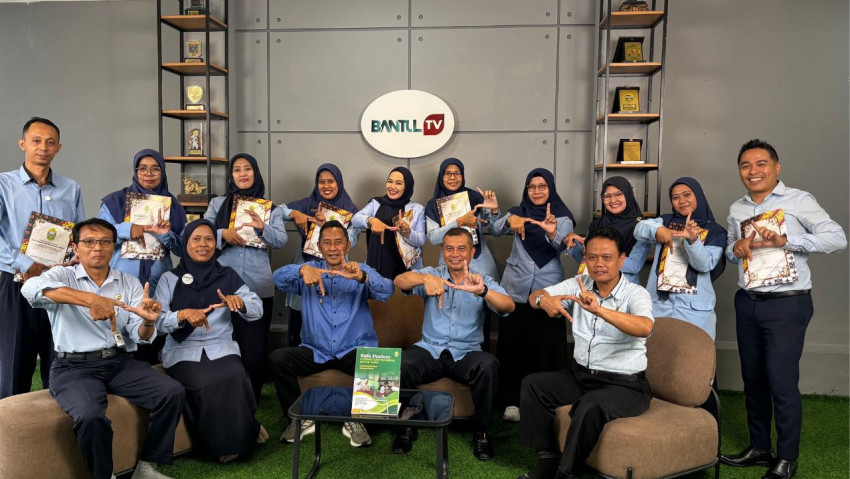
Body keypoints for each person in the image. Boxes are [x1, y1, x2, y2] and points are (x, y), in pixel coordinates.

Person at [720, 140, 846, 479]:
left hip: (787, 304)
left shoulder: (799, 200)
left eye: (761, 163)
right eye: (745, 165)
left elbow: (837, 238)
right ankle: (760, 448)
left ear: (777, 167)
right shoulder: (737, 208)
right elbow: (731, 253)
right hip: (748, 302)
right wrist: (736, 247)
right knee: (753, 379)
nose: (753, 171)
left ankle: (787, 458)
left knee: (781, 381)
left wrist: (788, 241)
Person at [21, 218, 185, 479]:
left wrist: (147, 321)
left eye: (105, 242)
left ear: (113, 246)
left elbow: (140, 335)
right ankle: (104, 475)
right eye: (89, 242)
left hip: (118, 362)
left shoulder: (128, 282)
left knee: (171, 392)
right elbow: (30, 289)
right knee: (90, 416)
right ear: (76, 247)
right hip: (73, 367)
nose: (97, 247)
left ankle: (147, 465)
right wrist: (90, 299)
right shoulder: (63, 275)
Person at [518, 227, 654, 479]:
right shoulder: (578, 283)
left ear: (621, 260)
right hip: (582, 376)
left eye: (606, 257)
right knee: (534, 385)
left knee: (589, 406)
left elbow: (644, 327)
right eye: (592, 257)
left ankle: (566, 472)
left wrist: (600, 310)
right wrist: (542, 301)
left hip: (626, 386)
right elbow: (535, 296)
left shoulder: (636, 294)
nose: (598, 264)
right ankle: (547, 460)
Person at [393, 227, 515, 461]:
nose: (455, 254)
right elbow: (400, 280)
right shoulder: (432, 273)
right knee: (404, 363)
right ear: (442, 251)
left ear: (471, 252)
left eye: (461, 248)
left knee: (489, 365)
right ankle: (407, 425)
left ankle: (481, 431)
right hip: (430, 349)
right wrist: (425, 278)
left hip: (467, 353)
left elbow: (508, 306)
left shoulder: (482, 280)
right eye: (449, 248)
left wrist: (483, 291)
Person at [268, 221, 394, 447]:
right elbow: (277, 279)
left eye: (338, 242)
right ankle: (299, 418)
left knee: (383, 363)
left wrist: (363, 278)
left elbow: (388, 291)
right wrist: (300, 269)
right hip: (316, 350)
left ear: (347, 245)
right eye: (327, 243)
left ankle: (357, 421)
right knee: (278, 358)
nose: (333, 248)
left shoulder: (361, 270)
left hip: (353, 349)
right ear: (319, 246)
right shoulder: (309, 271)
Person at [154, 219, 266, 462]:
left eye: (209, 239)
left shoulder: (228, 275)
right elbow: (157, 322)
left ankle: (243, 436)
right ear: (186, 243)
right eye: (196, 239)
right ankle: (222, 446)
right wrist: (181, 316)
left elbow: (257, 309)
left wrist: (241, 302)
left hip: (220, 345)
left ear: (216, 244)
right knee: (204, 382)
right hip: (183, 350)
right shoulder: (169, 279)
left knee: (236, 375)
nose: (203, 244)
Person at [0, 117, 85, 398]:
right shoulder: (4, 184)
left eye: (50, 142)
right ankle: (8, 424)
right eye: (36, 141)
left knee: (57, 358)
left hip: (57, 283)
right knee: (13, 362)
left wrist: (75, 259)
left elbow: (79, 234)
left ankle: (55, 423)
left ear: (58, 147)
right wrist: (26, 264)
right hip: (15, 282)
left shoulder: (71, 188)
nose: (43, 148)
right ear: (22, 143)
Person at [490, 167, 575, 422]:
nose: (537, 191)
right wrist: (507, 220)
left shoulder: (563, 217)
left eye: (542, 186)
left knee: (545, 348)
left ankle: (544, 403)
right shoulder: (517, 212)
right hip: (515, 290)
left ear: (551, 189)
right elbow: (494, 229)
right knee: (512, 347)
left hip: (547, 291)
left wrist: (551, 231)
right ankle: (511, 401)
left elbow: (564, 244)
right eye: (532, 187)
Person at [204, 153, 288, 402]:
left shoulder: (270, 208)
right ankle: (223, 399)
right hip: (221, 286)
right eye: (237, 169)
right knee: (221, 344)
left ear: (255, 173)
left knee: (254, 349)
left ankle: (251, 401)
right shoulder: (218, 204)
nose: (242, 174)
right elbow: (201, 234)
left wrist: (262, 227)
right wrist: (222, 233)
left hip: (257, 286)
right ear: (231, 175)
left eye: (247, 168)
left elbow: (281, 240)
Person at [99, 148, 187, 364]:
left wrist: (166, 235)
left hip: (157, 282)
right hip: (121, 281)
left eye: (155, 169)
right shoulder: (115, 201)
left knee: (152, 333)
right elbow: (99, 237)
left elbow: (183, 249)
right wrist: (127, 229)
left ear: (163, 172)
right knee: (119, 333)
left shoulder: (174, 207)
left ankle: (151, 378)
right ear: (135, 170)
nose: (149, 173)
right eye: (143, 168)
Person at [633, 177, 726, 338]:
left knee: (694, 352)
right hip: (659, 306)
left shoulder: (715, 231)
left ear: (698, 195)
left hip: (695, 311)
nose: (681, 201)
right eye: (675, 197)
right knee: (657, 350)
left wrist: (693, 240)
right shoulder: (666, 221)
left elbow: (704, 265)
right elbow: (639, 229)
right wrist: (659, 230)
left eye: (687, 195)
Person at [285, 163, 359, 347]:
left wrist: (328, 227)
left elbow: (351, 240)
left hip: (336, 272)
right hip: (306, 269)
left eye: (331, 181)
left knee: (332, 322)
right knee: (300, 323)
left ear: (339, 183)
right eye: (321, 182)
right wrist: (294, 213)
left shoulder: (351, 211)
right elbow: (275, 211)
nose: (326, 186)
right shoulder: (307, 204)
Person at [564, 176, 650, 284]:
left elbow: (634, 266)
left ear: (628, 195)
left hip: (624, 287)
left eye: (618, 194)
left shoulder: (642, 227)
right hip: (593, 286)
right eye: (607, 196)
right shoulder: (597, 224)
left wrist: (599, 258)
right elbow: (586, 259)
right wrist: (572, 244)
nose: (613, 200)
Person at [351, 166, 425, 279]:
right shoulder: (376, 203)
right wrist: (371, 220)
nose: (392, 186)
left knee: (403, 289)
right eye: (390, 181)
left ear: (407, 186)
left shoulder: (417, 209)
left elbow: (421, 240)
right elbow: (355, 219)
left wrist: (407, 232)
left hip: (406, 271)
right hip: (376, 266)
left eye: (398, 183)